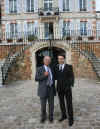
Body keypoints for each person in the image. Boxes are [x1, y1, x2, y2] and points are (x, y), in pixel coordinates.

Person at [54, 54, 75, 127]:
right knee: (61, 103)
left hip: (67, 89)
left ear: (64, 59)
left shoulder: (69, 67)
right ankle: (64, 116)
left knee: (69, 104)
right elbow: (54, 77)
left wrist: (70, 85)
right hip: (59, 89)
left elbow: (72, 77)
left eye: (61, 58)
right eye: (59, 59)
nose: (60, 60)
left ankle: (71, 119)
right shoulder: (56, 67)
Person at [35, 56, 56, 123]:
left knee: (51, 105)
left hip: (51, 89)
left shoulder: (52, 69)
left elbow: (54, 78)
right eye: (46, 60)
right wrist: (44, 75)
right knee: (43, 106)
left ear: (50, 61)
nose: (47, 61)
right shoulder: (39, 69)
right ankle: (43, 117)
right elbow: (36, 78)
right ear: (44, 61)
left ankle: (51, 117)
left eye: (49, 60)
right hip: (43, 90)